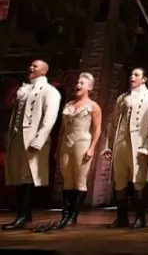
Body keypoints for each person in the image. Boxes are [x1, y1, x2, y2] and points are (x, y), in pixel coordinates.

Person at [35, 73, 102, 232]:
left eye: (82, 83)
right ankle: (64, 216)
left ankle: (73, 216)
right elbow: (62, 130)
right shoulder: (68, 105)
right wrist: (58, 148)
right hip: (67, 144)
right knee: (68, 181)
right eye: (78, 82)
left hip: (82, 143)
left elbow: (97, 129)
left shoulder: (93, 106)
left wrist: (92, 147)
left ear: (89, 87)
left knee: (80, 181)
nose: (78, 85)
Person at [2, 60, 61, 231]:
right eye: (31, 65)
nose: (31, 68)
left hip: (32, 139)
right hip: (17, 137)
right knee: (17, 177)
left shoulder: (50, 91)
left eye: (35, 66)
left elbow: (50, 118)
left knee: (27, 178)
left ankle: (22, 215)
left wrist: (38, 140)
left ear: (43, 71)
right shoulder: (24, 90)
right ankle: (24, 214)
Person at [100, 67, 148, 229]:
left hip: (139, 143)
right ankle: (121, 217)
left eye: (136, 75)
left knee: (138, 179)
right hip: (121, 141)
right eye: (131, 74)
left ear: (144, 79)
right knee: (119, 179)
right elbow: (113, 123)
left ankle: (140, 217)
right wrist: (108, 145)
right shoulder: (122, 98)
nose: (132, 77)